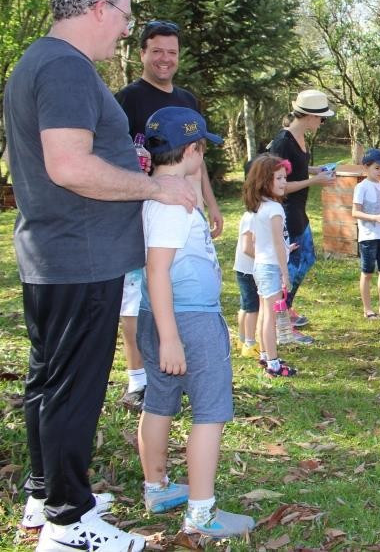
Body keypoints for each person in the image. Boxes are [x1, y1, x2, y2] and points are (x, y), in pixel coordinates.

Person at [5, 0, 195, 551]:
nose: (125, 29)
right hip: (81, 256)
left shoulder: (38, 61)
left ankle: (45, 496)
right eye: (125, 16)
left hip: (54, 251)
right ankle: (69, 524)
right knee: (73, 389)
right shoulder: (65, 66)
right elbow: (69, 166)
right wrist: (155, 187)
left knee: (49, 380)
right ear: (97, 9)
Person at [135, 106, 254, 537]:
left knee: (159, 401)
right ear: (191, 150)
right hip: (189, 321)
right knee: (210, 412)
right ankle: (202, 514)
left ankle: (157, 487)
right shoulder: (172, 205)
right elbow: (157, 269)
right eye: (201, 149)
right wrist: (170, 338)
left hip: (159, 315)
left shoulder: (161, 193)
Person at [115, 20, 223, 412]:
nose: (165, 59)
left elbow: (197, 158)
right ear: (142, 52)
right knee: (138, 295)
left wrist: (209, 201)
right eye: (157, 51)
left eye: (172, 52)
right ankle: (138, 378)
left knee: (183, 286)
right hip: (141, 211)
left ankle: (182, 367)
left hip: (185, 210)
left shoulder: (186, 100)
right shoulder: (126, 100)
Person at [265, 89, 336, 328]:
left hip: (298, 209)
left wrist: (316, 170)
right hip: (285, 211)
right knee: (292, 264)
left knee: (306, 259)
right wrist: (314, 181)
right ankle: (280, 315)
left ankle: (285, 307)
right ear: (310, 116)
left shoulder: (300, 138)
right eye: (321, 118)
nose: (322, 123)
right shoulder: (282, 143)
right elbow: (277, 186)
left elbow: (294, 168)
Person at [244, 154, 300, 377]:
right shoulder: (275, 209)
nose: (284, 182)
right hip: (271, 267)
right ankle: (274, 364)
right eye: (278, 178)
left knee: (265, 313)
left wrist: (286, 250)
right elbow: (277, 242)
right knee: (270, 316)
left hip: (261, 266)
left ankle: (266, 354)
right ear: (265, 180)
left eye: (285, 178)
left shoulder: (261, 206)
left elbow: (269, 241)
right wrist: (285, 274)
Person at [352, 148, 380, 318]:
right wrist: (374, 218)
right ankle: (367, 309)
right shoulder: (361, 187)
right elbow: (355, 212)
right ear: (366, 167)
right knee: (367, 273)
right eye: (377, 168)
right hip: (368, 238)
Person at [233, 209, 260, 359]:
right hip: (248, 270)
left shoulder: (250, 215)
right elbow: (247, 248)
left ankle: (242, 340)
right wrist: (266, 257)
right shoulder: (252, 217)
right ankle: (250, 344)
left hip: (245, 269)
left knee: (245, 306)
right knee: (252, 308)